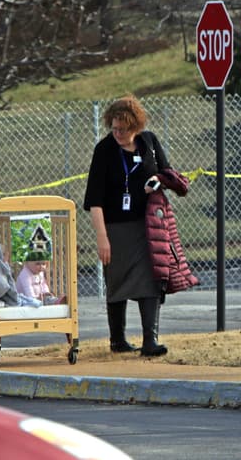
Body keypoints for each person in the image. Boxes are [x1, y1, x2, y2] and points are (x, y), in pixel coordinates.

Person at [84, 95, 176, 357]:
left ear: (136, 126)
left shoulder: (149, 142)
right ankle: (118, 339)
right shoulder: (104, 150)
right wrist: (102, 237)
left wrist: (157, 182)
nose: (118, 134)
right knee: (117, 281)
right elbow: (94, 200)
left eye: (123, 129)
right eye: (114, 128)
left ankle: (151, 340)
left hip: (147, 226)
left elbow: (167, 173)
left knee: (151, 279)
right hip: (115, 228)